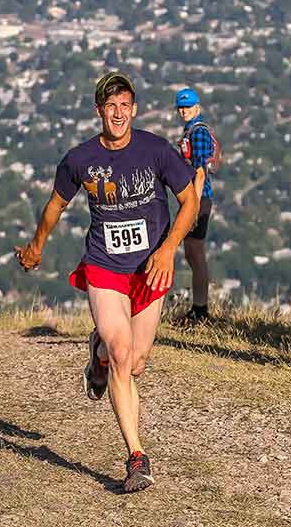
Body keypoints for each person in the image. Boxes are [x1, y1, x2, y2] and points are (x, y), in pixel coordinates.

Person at [16, 72, 199, 491]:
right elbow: (55, 206)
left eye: (124, 106)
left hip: (151, 268)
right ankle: (137, 456)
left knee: (135, 362)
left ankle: (96, 351)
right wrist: (36, 247)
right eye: (109, 106)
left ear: (134, 109)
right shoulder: (80, 159)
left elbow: (189, 201)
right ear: (99, 111)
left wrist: (169, 248)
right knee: (122, 353)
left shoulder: (156, 151)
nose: (117, 113)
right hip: (104, 266)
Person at [174, 87, 215, 324]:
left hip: (198, 198)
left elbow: (200, 173)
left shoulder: (198, 133)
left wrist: (194, 207)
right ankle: (198, 308)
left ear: (197, 107)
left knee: (196, 253)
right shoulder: (190, 129)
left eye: (188, 107)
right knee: (192, 252)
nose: (183, 111)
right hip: (193, 198)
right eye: (181, 107)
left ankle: (201, 310)